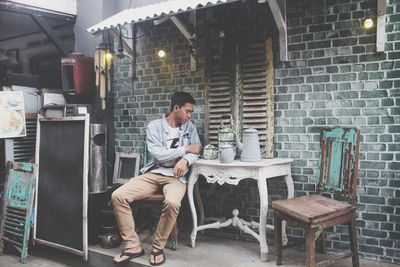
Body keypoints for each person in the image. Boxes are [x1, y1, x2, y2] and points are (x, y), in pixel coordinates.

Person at [111, 92, 203, 265]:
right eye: (187, 111)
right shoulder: (154, 126)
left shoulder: (189, 127)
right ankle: (132, 246)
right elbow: (159, 155)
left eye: (191, 112)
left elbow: (197, 152)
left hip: (176, 178)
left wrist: (185, 159)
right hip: (154, 173)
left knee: (173, 203)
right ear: (176, 108)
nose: (190, 116)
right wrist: (186, 149)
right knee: (118, 196)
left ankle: (157, 247)